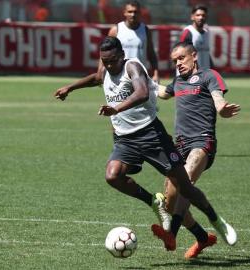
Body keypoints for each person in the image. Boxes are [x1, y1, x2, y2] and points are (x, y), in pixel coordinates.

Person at [54, 36, 236, 252]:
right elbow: (100, 78)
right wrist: (70, 87)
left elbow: (142, 93)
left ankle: (215, 221)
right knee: (117, 177)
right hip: (133, 139)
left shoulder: (135, 67)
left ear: (122, 55)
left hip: (164, 137)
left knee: (185, 187)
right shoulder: (172, 80)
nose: (109, 66)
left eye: (112, 61)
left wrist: (117, 108)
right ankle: (166, 212)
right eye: (105, 61)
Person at [153, 41, 241, 259]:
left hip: (202, 141)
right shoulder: (178, 80)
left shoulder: (209, 75)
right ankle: (202, 237)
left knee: (187, 180)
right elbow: (165, 93)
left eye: (181, 58)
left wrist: (221, 108)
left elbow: (218, 98)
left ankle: (171, 233)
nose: (178, 64)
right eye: (174, 61)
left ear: (194, 56)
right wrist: (145, 84)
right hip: (179, 145)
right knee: (171, 202)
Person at [106, 0, 159, 82]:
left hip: (140, 76)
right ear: (125, 12)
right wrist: (101, 70)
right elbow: (106, 52)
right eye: (130, 12)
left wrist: (156, 74)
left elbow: (151, 54)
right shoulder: (116, 30)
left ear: (140, 13)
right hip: (120, 77)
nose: (133, 14)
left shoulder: (145, 30)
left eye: (135, 12)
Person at [179, 4, 212, 70]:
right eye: (198, 15)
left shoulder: (206, 33)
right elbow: (180, 54)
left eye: (203, 15)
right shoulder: (188, 32)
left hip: (205, 74)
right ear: (192, 17)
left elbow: (206, 54)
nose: (201, 17)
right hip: (191, 74)